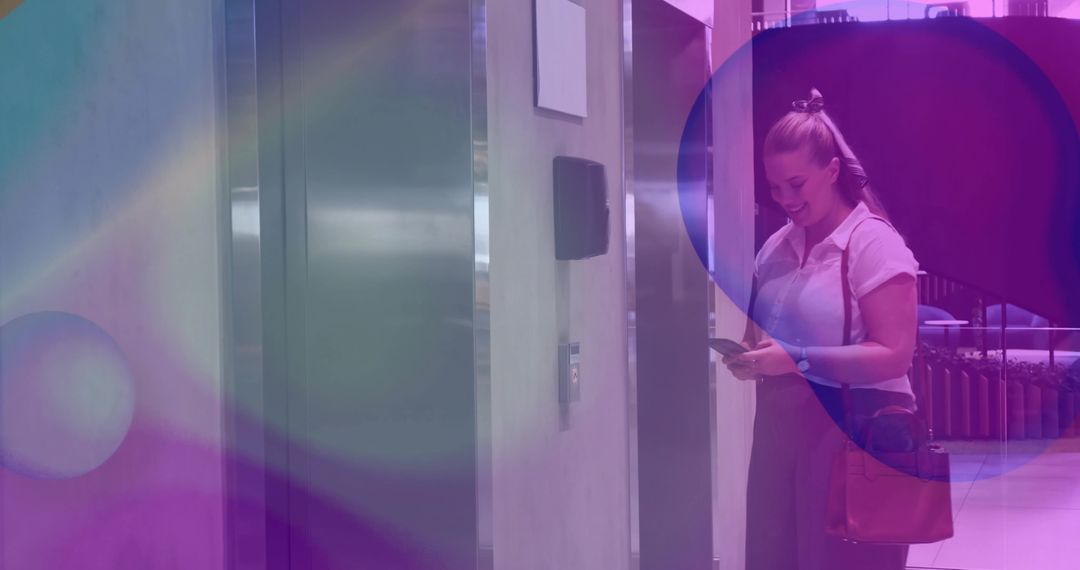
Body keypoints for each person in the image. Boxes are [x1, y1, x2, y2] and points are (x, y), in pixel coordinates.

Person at [723, 88, 920, 570]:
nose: (786, 199)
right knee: (777, 554)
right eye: (774, 188)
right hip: (782, 430)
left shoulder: (871, 243)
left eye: (797, 184)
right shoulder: (774, 248)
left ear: (832, 171)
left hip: (857, 432)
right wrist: (751, 356)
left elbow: (896, 353)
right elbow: (764, 335)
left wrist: (796, 357)